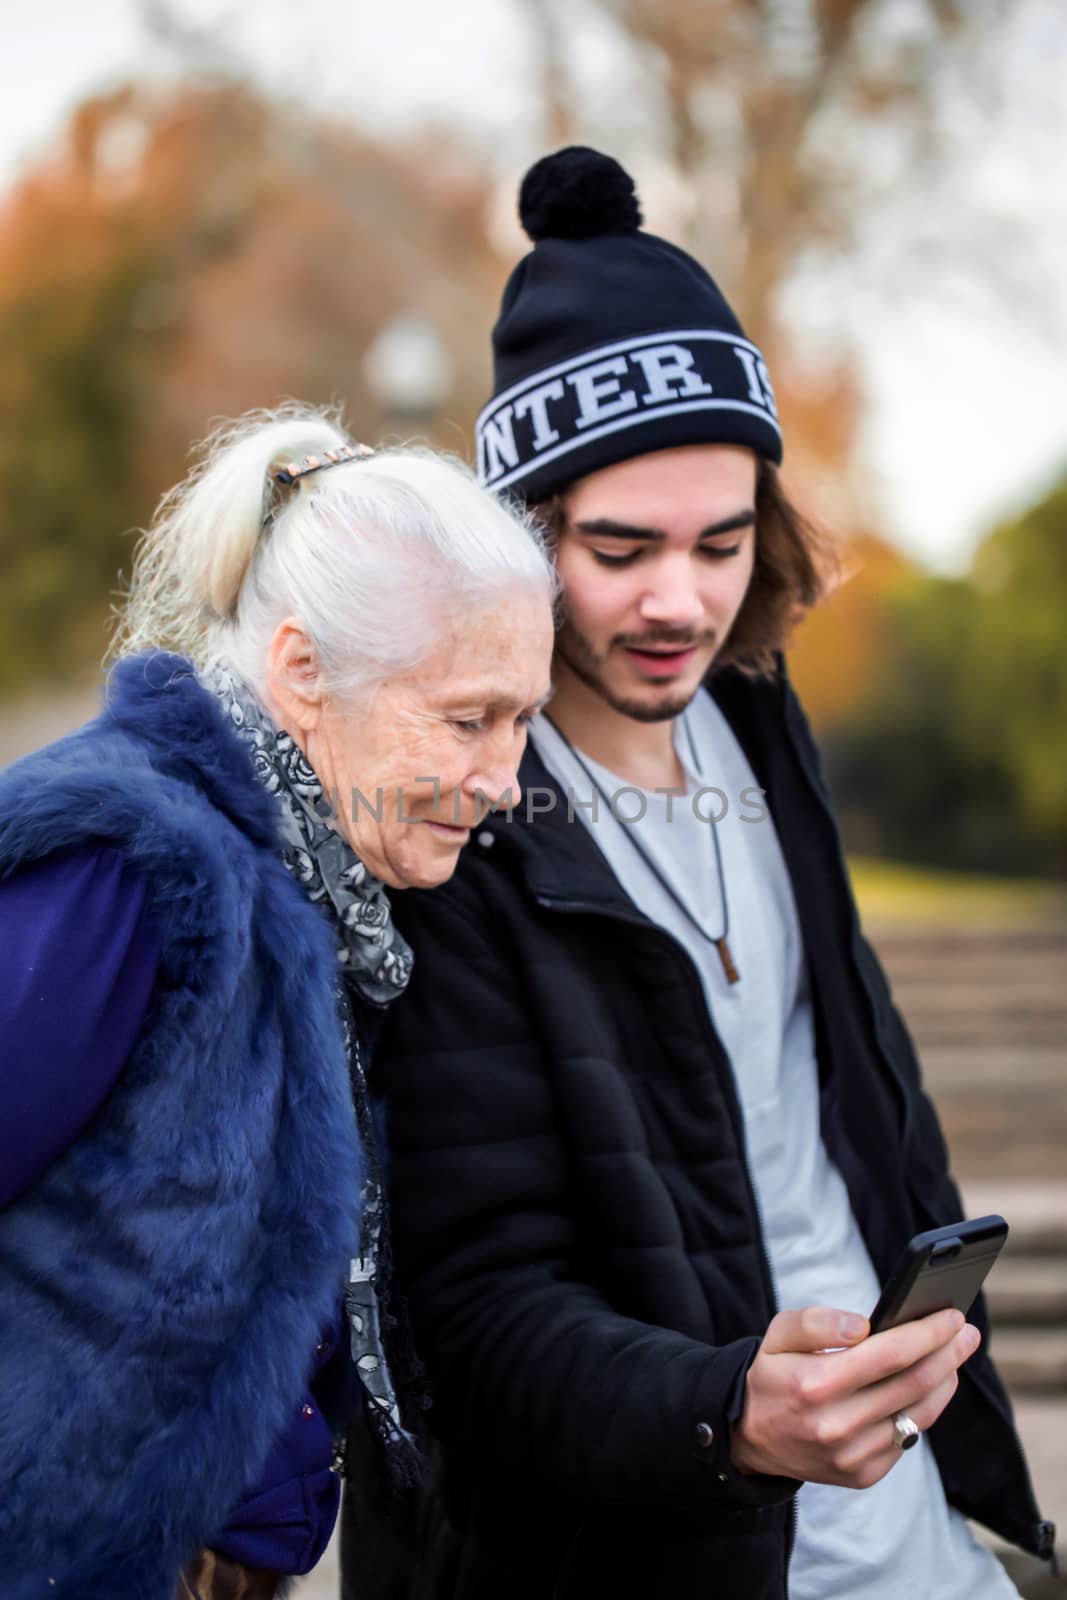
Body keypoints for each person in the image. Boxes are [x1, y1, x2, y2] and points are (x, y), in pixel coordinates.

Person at [373, 150, 1055, 1599]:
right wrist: (723, 1413)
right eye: (617, 550)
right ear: (518, 541)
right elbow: (468, 1313)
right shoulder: (445, 819)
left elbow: (859, 1105)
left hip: (918, 1537)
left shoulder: (756, 715)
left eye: (721, 544)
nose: (679, 601)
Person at [0, 406, 555, 1600]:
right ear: (303, 673)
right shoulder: (126, 861)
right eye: (467, 719)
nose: (504, 782)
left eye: (522, 722)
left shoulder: (324, 888)